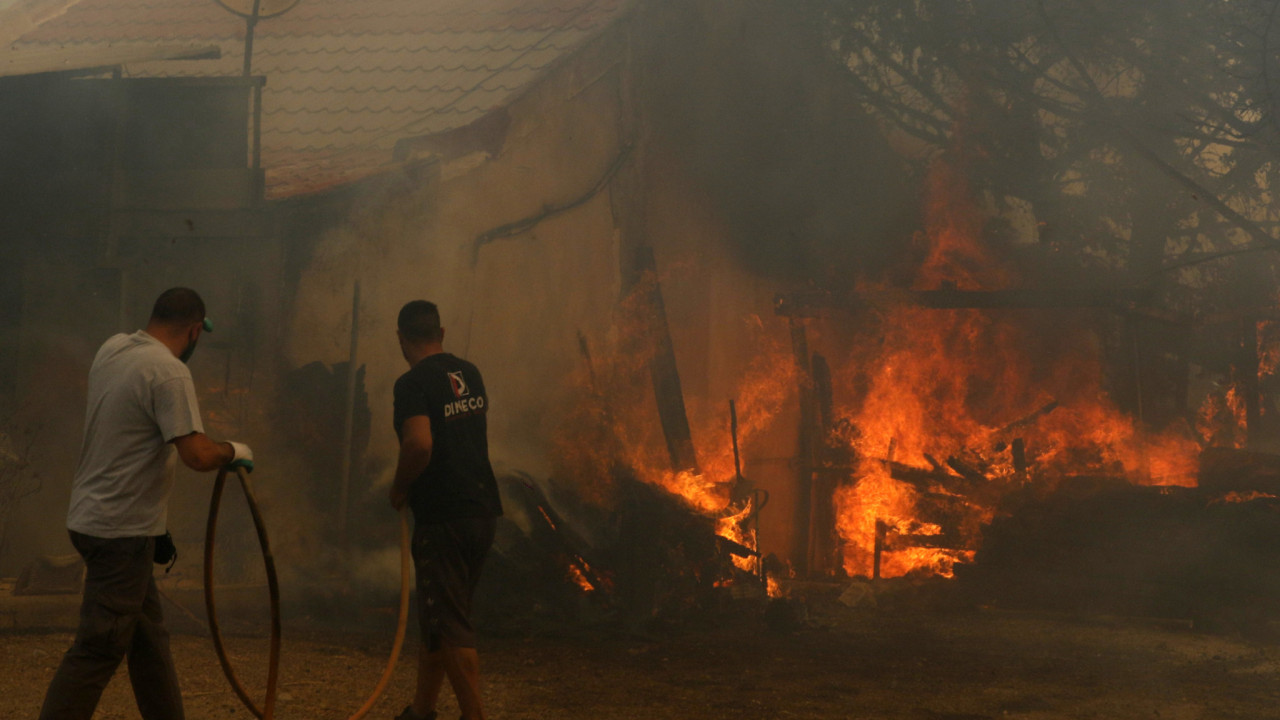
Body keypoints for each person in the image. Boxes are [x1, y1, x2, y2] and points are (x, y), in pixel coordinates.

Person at [39, 287, 254, 720]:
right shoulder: (168, 372)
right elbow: (196, 454)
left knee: (148, 640)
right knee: (98, 649)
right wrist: (235, 450)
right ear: (195, 330)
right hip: (120, 532)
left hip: (96, 519)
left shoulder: (114, 349)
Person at [389, 300, 502, 720]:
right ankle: (422, 711)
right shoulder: (468, 373)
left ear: (402, 338)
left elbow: (419, 443)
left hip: (444, 517)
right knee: (440, 617)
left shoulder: (412, 384)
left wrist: (400, 487)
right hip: (482, 510)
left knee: (452, 625)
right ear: (442, 332)